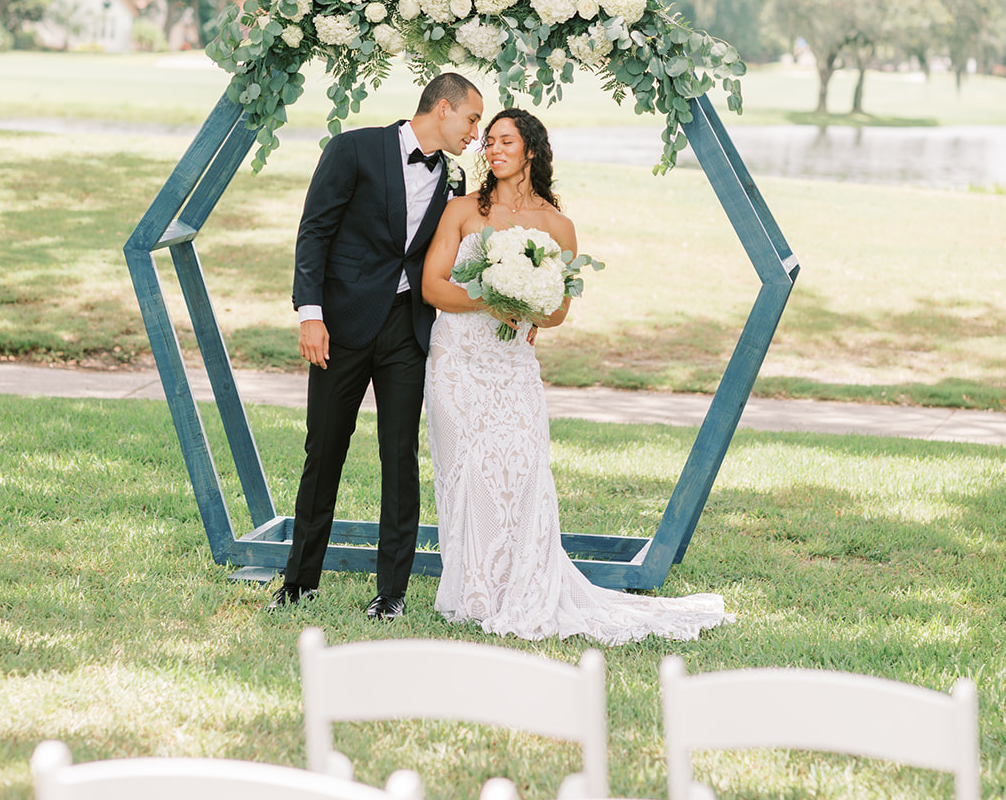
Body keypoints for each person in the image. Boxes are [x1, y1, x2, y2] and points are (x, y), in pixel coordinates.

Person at [420, 108, 730, 644]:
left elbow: (556, 311)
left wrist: (526, 304)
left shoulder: (558, 226)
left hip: (511, 367)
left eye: (505, 142)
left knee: (520, 468)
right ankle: (472, 592)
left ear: (531, 151)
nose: (492, 150)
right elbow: (432, 287)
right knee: (465, 474)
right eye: (488, 141)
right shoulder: (463, 210)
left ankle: (521, 587)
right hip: (456, 364)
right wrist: (489, 297)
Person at [270, 73, 483, 619]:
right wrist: (310, 314)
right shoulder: (354, 148)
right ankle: (299, 582)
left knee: (400, 459)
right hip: (339, 326)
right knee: (324, 453)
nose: (475, 133)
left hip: (407, 331)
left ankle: (391, 593)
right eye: (472, 120)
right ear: (442, 108)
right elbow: (314, 230)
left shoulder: (453, 178)